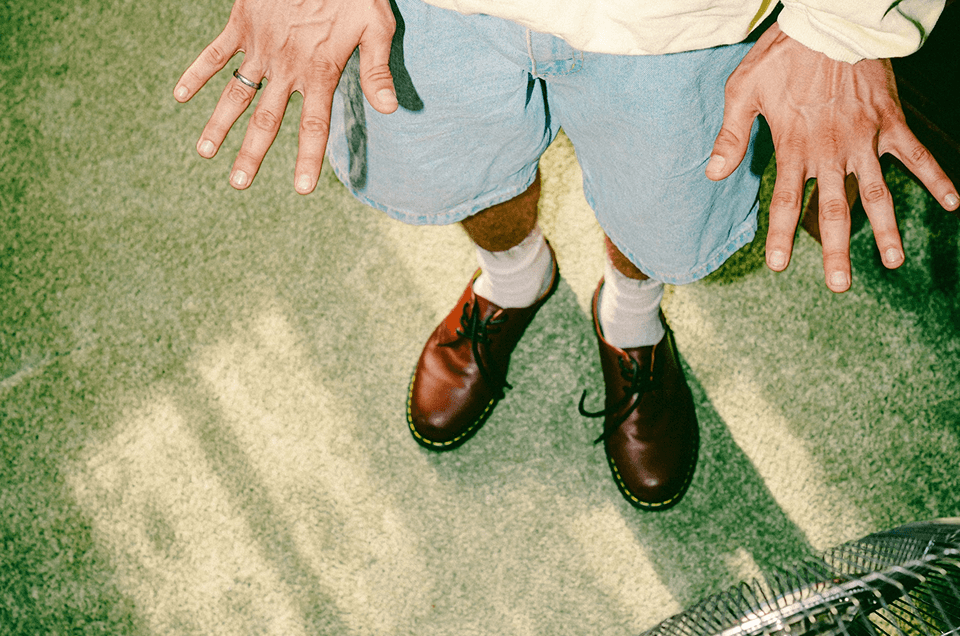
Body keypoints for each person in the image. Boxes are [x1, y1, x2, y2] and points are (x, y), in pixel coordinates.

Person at [174, 0, 959, 510]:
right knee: (456, 165)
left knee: (663, 204)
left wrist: (846, 27)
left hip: (685, 16)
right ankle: (515, 279)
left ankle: (630, 315)